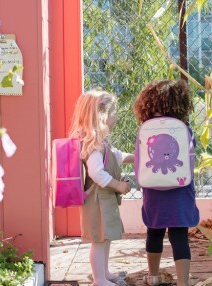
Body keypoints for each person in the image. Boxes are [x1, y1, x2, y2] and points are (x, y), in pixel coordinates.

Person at [133, 79, 200, 286]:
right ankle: (183, 282)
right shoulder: (184, 129)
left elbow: (139, 159)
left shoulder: (145, 129)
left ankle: (153, 277)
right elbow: (191, 157)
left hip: (154, 189)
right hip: (180, 190)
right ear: (179, 104)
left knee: (154, 232)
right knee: (179, 236)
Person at [69, 89, 134, 286]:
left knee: (105, 238)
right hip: (97, 201)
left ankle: (104, 273)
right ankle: (99, 280)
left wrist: (137, 156)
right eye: (114, 113)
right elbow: (96, 173)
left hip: (104, 200)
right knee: (98, 241)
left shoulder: (101, 143)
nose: (116, 118)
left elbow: (117, 156)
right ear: (103, 116)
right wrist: (118, 185)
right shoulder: (93, 145)